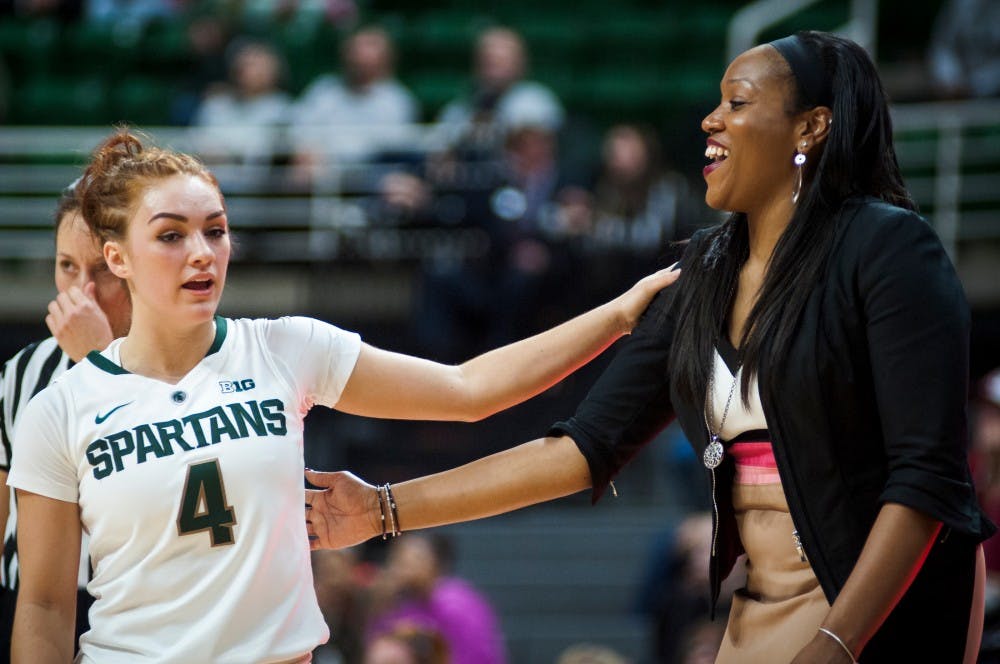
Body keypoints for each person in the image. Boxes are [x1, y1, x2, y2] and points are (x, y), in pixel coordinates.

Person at [305, 31, 996, 663]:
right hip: (762, 604)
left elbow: (925, 481)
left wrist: (839, 642)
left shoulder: (889, 248)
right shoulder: (704, 272)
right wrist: (382, 509)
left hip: (879, 604)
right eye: (714, 102)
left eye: (737, 102)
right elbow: (582, 450)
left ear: (811, 127)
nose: (709, 120)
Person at [5, 128, 677, 662]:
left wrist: (617, 315)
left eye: (216, 229)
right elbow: (43, 608)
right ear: (117, 257)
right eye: (171, 236)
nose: (203, 253)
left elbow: (470, 389)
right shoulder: (60, 409)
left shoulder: (284, 347)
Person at [0, 180, 132, 660]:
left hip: (137, 614)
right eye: (67, 267)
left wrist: (98, 362)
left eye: (102, 269)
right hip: (29, 608)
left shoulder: (186, 370)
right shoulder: (22, 372)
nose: (82, 292)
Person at [290, 26, 419, 182]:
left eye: (370, 47)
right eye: (356, 49)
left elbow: (390, 151)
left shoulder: (398, 100)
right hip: (322, 174)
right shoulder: (323, 90)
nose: (360, 55)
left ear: (386, 57)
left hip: (373, 179)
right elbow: (301, 133)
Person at [366, 533, 505, 664]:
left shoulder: (459, 603)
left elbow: (477, 654)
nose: (404, 567)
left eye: (414, 559)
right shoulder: (396, 601)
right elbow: (377, 648)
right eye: (398, 558)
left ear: (435, 562)